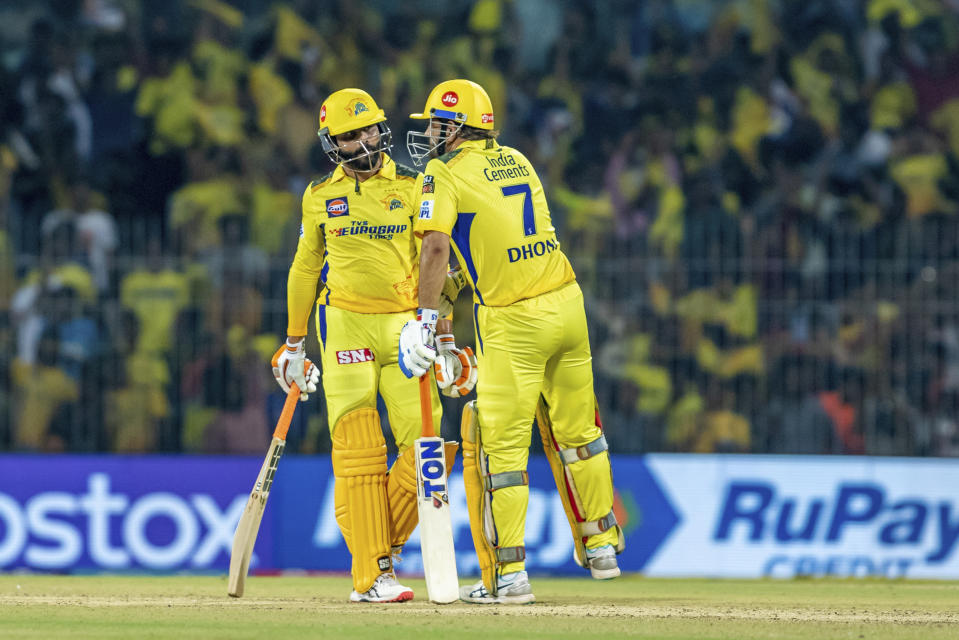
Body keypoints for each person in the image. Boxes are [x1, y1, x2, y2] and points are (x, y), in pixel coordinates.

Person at [399, 79, 624, 605]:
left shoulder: (442, 172)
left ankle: (508, 577)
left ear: (456, 127)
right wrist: (453, 295)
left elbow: (435, 249)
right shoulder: (517, 159)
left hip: (513, 320)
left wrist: (423, 319)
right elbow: (494, 245)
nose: (429, 133)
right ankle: (602, 545)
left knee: (501, 451)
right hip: (567, 303)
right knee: (580, 435)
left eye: (436, 123)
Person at [272, 88, 475, 603]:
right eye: (350, 134)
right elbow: (303, 269)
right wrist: (293, 346)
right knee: (359, 446)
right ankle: (373, 576)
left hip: (407, 329)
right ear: (332, 143)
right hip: (344, 325)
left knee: (429, 450)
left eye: (369, 128)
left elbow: (440, 267)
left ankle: (376, 547)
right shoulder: (318, 195)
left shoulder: (413, 185)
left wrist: (444, 337)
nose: (364, 139)